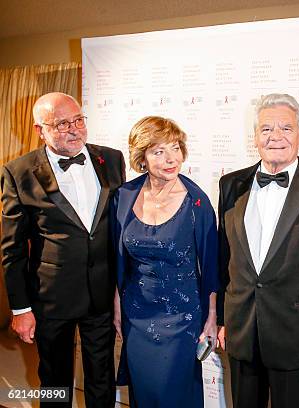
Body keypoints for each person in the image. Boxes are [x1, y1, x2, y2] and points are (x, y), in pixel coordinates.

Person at [216, 93, 299, 408]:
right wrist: (223, 319)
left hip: (298, 340)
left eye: (286, 128)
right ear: (254, 137)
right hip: (242, 332)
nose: (275, 136)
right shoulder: (231, 185)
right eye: (266, 129)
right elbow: (226, 261)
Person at [1, 92, 125, 407]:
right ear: (39, 129)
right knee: (54, 381)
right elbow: (12, 249)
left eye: (79, 120)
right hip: (50, 298)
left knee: (101, 377)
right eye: (61, 124)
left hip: (101, 293)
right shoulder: (18, 172)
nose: (74, 129)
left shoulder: (111, 158)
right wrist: (20, 310)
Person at [111, 116, 218, 407]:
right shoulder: (123, 196)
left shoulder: (197, 201)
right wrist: (118, 304)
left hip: (181, 317)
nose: (171, 159)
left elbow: (210, 265)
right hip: (136, 314)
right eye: (159, 151)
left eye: (175, 148)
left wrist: (211, 317)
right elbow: (118, 261)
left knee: (175, 394)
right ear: (142, 157)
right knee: (144, 394)